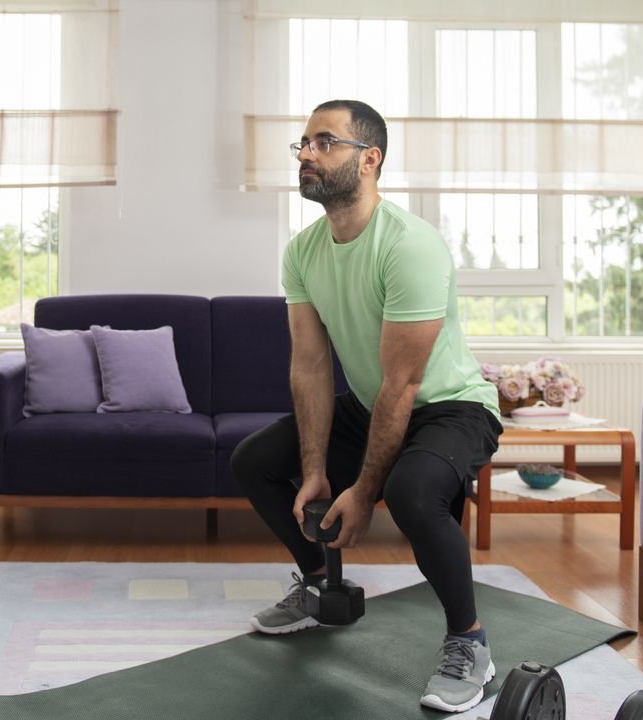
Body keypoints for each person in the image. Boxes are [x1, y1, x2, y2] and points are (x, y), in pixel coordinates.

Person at [230, 99, 503, 714]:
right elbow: (310, 365)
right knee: (254, 461)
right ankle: (318, 584)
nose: (305, 154)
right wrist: (319, 469)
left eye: (323, 142)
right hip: (371, 398)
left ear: (369, 159)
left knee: (410, 494)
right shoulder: (303, 252)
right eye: (302, 143)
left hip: (451, 406)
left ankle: (469, 642)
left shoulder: (409, 246)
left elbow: (405, 384)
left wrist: (364, 488)